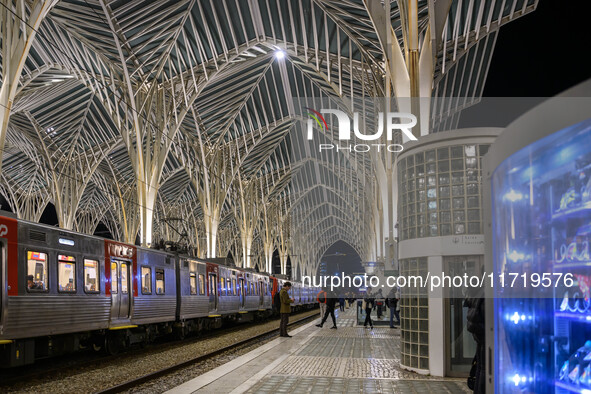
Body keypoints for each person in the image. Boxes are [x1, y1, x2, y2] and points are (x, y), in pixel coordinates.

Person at [465, 292, 485, 393]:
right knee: (484, 370)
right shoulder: (486, 293)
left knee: (480, 368)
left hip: (479, 334)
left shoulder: (476, 291)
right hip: (484, 335)